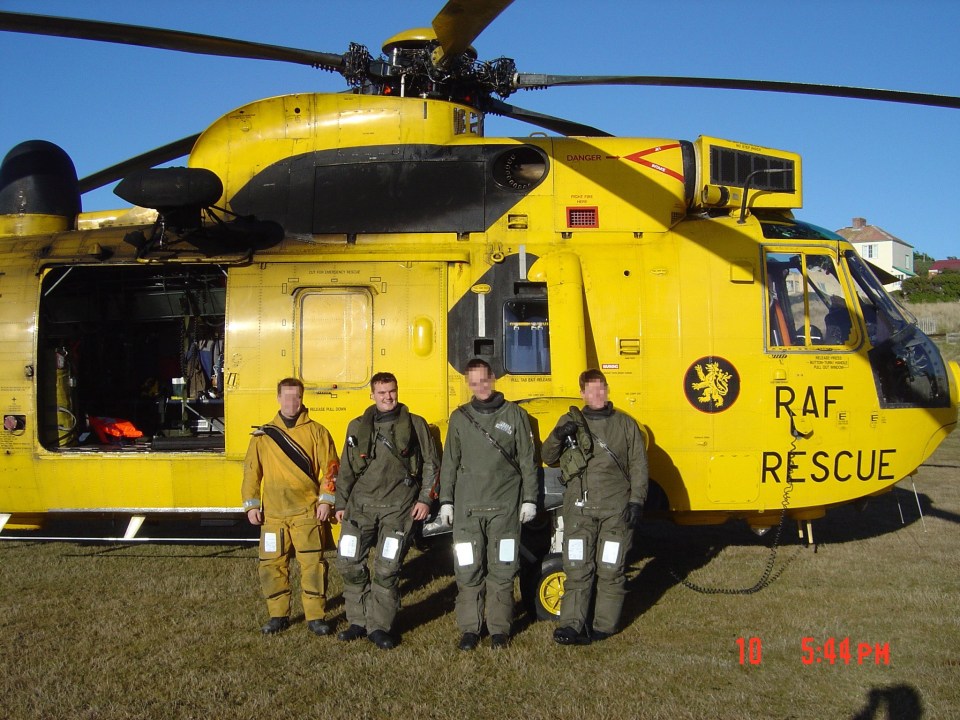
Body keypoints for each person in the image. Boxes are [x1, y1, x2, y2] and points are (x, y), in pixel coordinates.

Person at [541, 369, 648, 646]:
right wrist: (558, 434)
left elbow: (639, 466)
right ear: (582, 393)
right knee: (577, 568)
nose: (597, 395)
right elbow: (547, 456)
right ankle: (571, 625)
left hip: (615, 510)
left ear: (607, 389)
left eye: (601, 389)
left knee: (611, 567)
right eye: (591, 390)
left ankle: (604, 626)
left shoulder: (626, 425)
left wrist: (637, 501)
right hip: (580, 510)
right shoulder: (570, 422)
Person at [334, 372, 440, 650]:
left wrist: (425, 499)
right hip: (360, 506)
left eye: (391, 391)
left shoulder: (415, 425)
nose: (387, 397)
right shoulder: (357, 427)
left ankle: (380, 626)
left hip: (399, 506)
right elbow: (346, 469)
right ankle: (358, 621)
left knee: (387, 567)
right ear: (372, 395)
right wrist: (341, 503)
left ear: (397, 390)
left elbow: (431, 464)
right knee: (349, 561)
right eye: (381, 393)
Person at [437, 359, 539, 650]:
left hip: (504, 508)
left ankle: (499, 630)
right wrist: (446, 501)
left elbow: (527, 461)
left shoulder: (515, 415)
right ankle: (470, 628)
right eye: (474, 382)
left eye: (484, 380)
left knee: (502, 569)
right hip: (468, 509)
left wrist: (530, 499)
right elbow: (450, 464)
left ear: (493, 378)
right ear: (468, 384)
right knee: (468, 569)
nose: (480, 387)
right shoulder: (459, 418)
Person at [241, 377, 340, 636]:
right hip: (272, 515)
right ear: (277, 398)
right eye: (286, 396)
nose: (291, 402)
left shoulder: (317, 431)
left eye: (296, 396)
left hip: (307, 512)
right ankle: (277, 615)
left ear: (302, 398)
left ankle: (316, 617)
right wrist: (251, 505)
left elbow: (331, 468)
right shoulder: (262, 436)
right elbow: (251, 472)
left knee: (313, 566)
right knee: (272, 566)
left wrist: (326, 500)